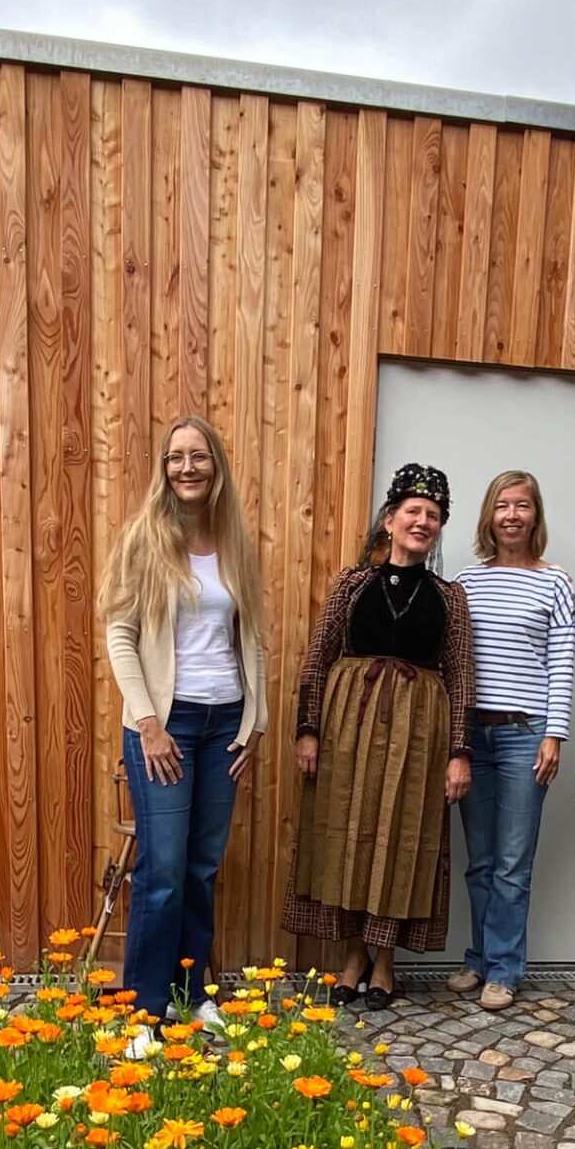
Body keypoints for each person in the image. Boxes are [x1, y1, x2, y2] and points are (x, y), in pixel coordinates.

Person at [283, 462, 473, 1011]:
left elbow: (461, 677)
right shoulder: (352, 583)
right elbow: (318, 660)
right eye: (412, 511)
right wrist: (308, 730)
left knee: (403, 839)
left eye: (433, 515)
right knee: (346, 833)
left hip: (420, 738)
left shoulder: (449, 596)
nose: (422, 522)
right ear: (389, 520)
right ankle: (351, 957)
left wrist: (459, 752)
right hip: (348, 728)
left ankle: (385, 959)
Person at [101, 415, 266, 1027]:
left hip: (225, 725)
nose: (187, 467)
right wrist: (146, 722)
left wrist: (255, 724)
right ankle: (145, 1010)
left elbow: (252, 639)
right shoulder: (144, 539)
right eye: (176, 457)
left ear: (215, 467)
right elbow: (120, 635)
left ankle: (192, 997)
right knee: (163, 870)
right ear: (164, 468)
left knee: (201, 870)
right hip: (164, 728)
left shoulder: (234, 544)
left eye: (199, 456)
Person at [448, 470, 575, 1012]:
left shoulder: (556, 582)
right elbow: (453, 665)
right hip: (474, 734)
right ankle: (479, 958)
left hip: (527, 736)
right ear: (489, 516)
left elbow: (561, 661)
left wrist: (555, 733)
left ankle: (505, 969)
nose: (512, 515)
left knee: (512, 863)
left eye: (522, 505)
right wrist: (455, 739)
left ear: (535, 515)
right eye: (502, 505)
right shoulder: (465, 583)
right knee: (480, 860)